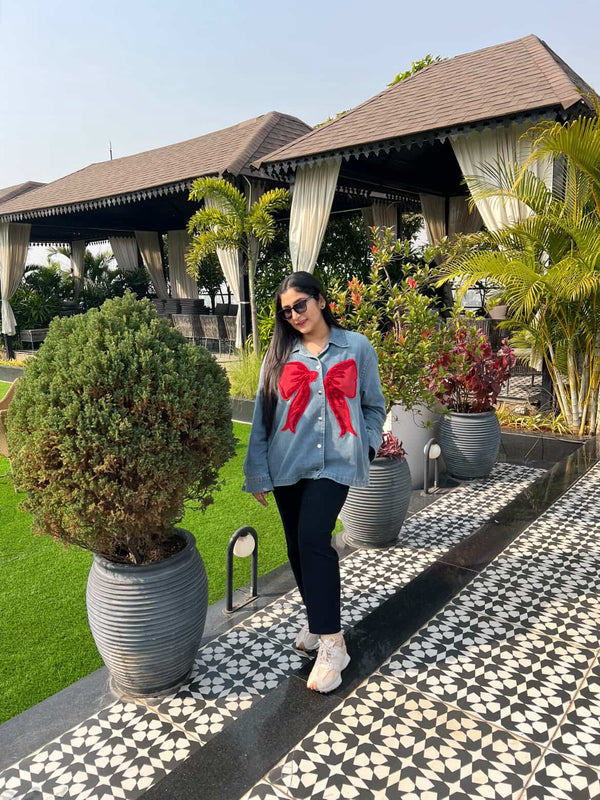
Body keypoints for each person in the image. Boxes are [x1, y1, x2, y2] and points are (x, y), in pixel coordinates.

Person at [243, 271, 386, 693]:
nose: (294, 315)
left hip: (336, 462)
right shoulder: (279, 355)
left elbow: (374, 406)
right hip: (287, 463)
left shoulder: (356, 347)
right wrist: (257, 472)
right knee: (296, 546)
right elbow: (262, 416)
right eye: (286, 311)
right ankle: (317, 618)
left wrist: (368, 446)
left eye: (300, 305)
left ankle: (333, 644)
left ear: (320, 300)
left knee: (313, 539)